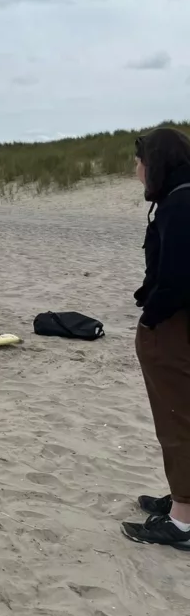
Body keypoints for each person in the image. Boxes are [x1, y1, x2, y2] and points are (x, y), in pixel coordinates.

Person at [120, 127, 190, 549]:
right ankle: (183, 500)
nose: (136, 166)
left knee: (177, 418)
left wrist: (152, 316)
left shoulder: (181, 202)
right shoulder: (180, 196)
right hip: (177, 320)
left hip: (175, 324)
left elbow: (178, 277)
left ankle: (183, 519)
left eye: (139, 158)